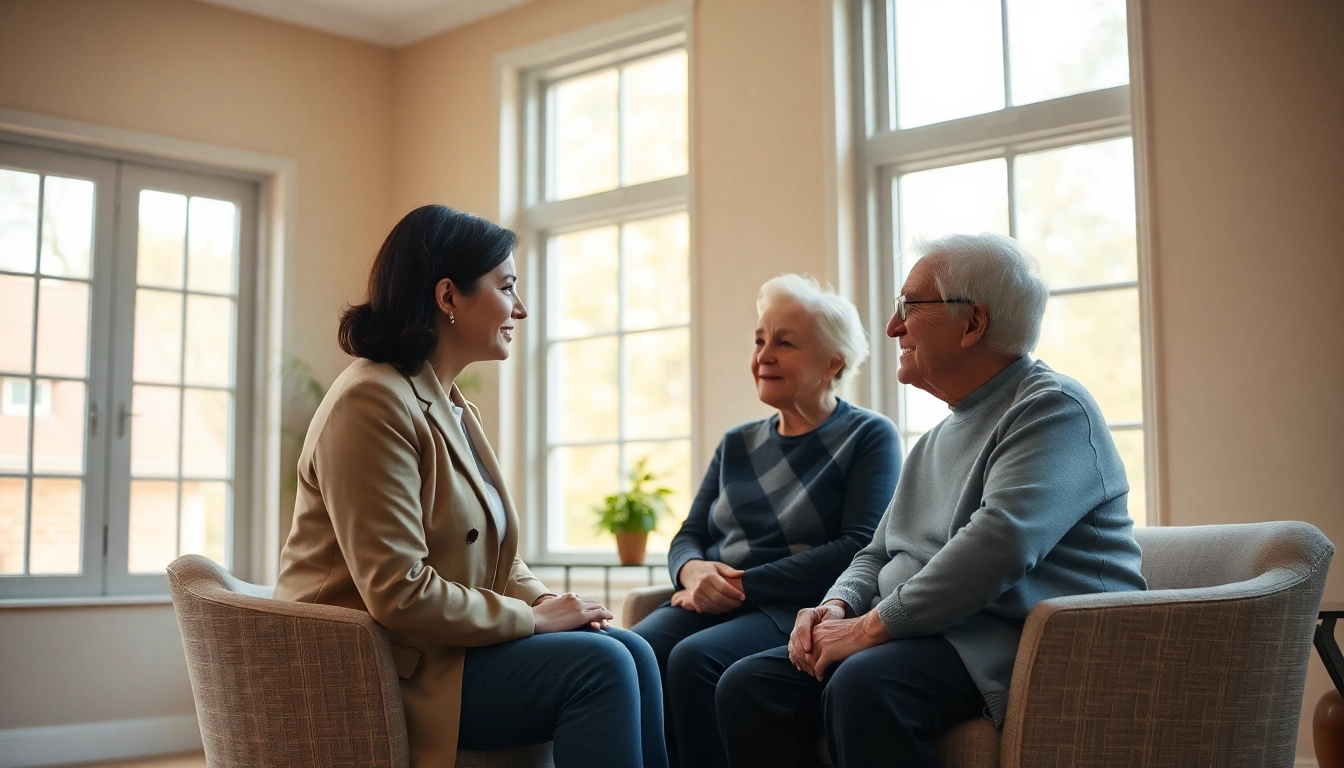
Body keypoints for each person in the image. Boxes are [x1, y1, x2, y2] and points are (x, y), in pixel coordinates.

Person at [716, 233, 1147, 768]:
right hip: (936, 632)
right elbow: (877, 551)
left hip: (1013, 639)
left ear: (973, 323)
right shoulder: (938, 436)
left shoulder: (1053, 409)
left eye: (909, 308)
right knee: (748, 685)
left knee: (862, 685)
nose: (893, 326)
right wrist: (837, 606)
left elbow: (999, 544)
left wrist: (868, 628)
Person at [274, 205, 667, 768]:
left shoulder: (449, 404)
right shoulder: (370, 402)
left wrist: (550, 601)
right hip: (373, 668)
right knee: (598, 666)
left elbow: (498, 562)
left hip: (438, 651)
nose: (521, 309)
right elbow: (398, 590)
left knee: (632, 648)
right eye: (507, 287)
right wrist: (533, 620)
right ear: (448, 297)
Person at [633, 274, 900, 768]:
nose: (764, 355)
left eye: (785, 342)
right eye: (760, 340)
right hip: (721, 596)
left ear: (832, 362)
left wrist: (735, 584)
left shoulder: (868, 436)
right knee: (632, 652)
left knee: (695, 660)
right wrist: (693, 572)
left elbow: (857, 546)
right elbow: (689, 534)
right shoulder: (737, 442)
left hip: (794, 606)